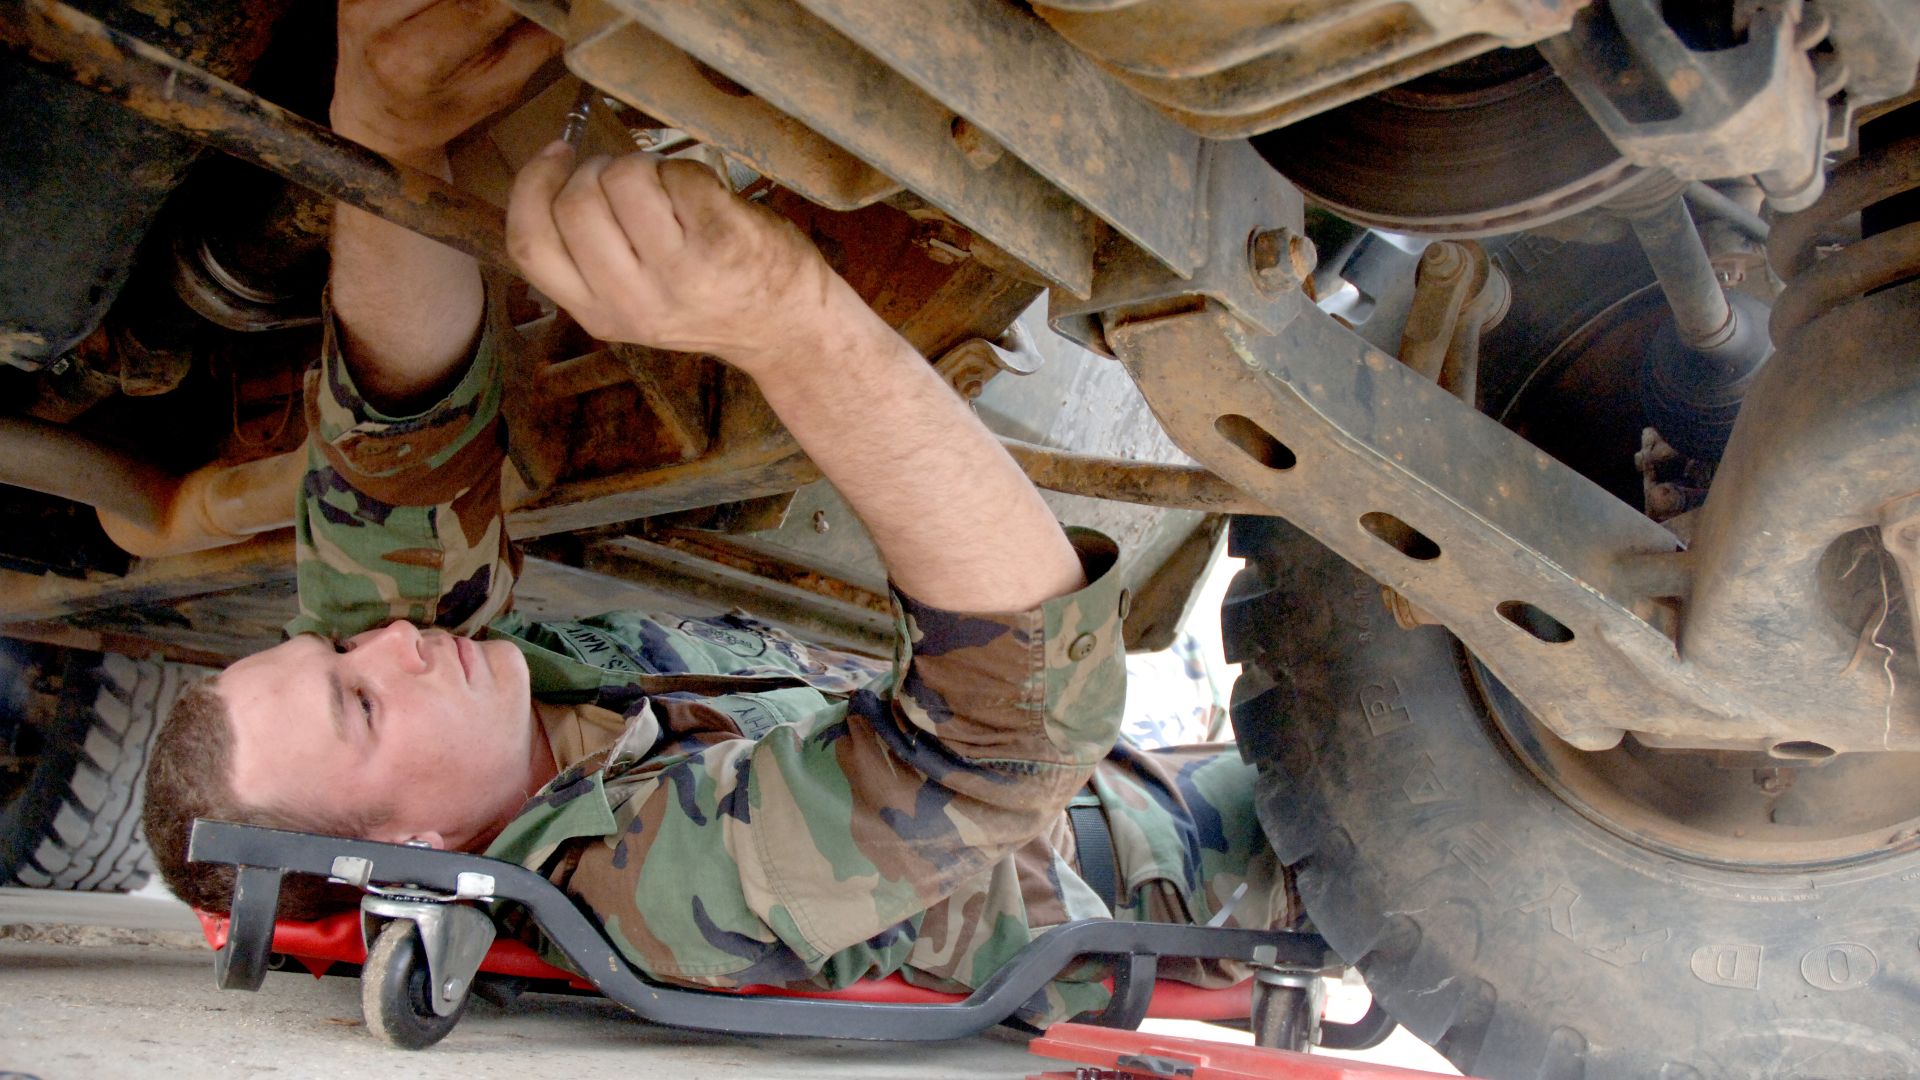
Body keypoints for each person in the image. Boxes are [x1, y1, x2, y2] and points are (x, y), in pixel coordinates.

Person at [141, 0, 1291, 1023]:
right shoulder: (642, 895)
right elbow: (1009, 731)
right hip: (1200, 856)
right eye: (357, 702)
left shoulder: (469, 711)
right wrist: (793, 325)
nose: (392, 644)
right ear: (407, 851)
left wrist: (384, 131)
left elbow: (396, 456)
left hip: (1159, 784)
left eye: (340, 647)